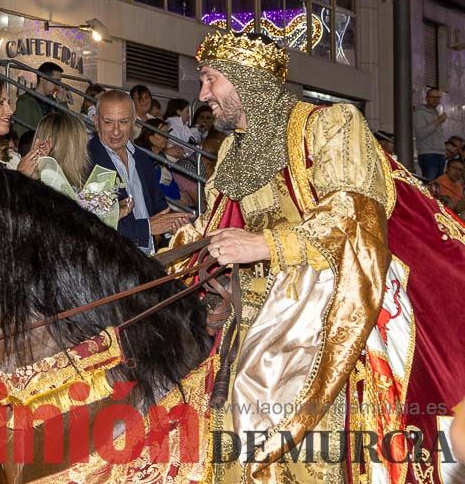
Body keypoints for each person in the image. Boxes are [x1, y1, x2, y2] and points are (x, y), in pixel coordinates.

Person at [170, 30, 465, 482]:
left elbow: (353, 211)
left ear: (247, 78)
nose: (203, 94)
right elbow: (216, 225)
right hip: (255, 312)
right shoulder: (233, 149)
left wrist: (266, 244)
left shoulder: (329, 124)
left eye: (211, 80)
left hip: (327, 302)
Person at [86, 91, 190, 254]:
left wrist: (173, 223)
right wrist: (147, 228)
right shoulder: (87, 161)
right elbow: (93, 223)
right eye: (108, 122)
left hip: (148, 259)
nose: (116, 131)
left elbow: (158, 206)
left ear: (134, 122)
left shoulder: (142, 158)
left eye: (123, 122)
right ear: (96, 122)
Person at [133, 117, 182, 202]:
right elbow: (152, 186)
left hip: (173, 201)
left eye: (167, 133)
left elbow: (170, 181)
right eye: (162, 133)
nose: (166, 137)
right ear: (150, 137)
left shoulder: (161, 157)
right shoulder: (143, 157)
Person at [12, 61, 64, 139]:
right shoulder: (26, 101)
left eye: (59, 82)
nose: (58, 87)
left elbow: (65, 127)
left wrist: (62, 103)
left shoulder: (53, 101)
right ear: (42, 79)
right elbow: (21, 134)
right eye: (56, 81)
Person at [414, 87, 448, 180]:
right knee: (430, 184)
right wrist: (438, 121)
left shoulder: (436, 113)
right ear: (426, 98)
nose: (435, 99)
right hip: (428, 154)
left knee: (438, 186)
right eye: (432, 97)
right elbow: (420, 133)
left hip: (439, 153)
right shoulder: (420, 113)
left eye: (438, 97)